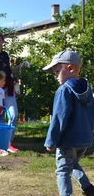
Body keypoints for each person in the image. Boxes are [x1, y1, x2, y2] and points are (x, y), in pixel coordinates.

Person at [43, 50, 94, 196]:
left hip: (68, 140)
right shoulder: (87, 88)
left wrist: (51, 141)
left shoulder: (64, 90)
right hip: (84, 139)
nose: (55, 76)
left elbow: (59, 118)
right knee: (71, 163)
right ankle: (88, 188)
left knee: (63, 170)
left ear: (70, 68)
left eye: (57, 71)